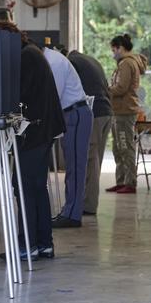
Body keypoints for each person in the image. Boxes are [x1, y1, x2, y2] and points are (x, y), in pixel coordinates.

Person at [0, 19, 66, 260]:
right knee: (35, 187)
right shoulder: (30, 52)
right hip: (41, 130)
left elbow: (17, 96)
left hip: (34, 131)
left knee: (22, 186)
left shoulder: (25, 57)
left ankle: (27, 245)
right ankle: (44, 244)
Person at [45, 47, 93, 228]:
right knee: (73, 167)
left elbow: (52, 97)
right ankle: (70, 210)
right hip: (72, 114)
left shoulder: (53, 62)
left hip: (75, 114)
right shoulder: (52, 58)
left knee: (75, 168)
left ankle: (72, 215)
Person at [68, 50, 112, 215]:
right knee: (96, 161)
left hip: (94, 112)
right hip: (107, 111)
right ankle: (90, 202)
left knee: (89, 160)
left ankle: (87, 205)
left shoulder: (71, 62)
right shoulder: (92, 61)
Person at [106, 34, 147, 194]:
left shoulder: (127, 63)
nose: (113, 53)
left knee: (125, 147)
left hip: (125, 111)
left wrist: (105, 90)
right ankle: (121, 181)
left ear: (121, 48)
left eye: (114, 49)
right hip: (120, 110)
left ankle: (130, 182)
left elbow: (121, 88)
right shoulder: (126, 63)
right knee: (118, 148)